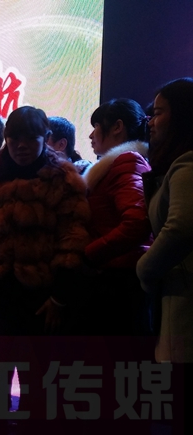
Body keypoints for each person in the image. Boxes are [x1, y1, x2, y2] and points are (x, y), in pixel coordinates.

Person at [0, 106, 90, 435]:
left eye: (31, 138)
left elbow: (72, 243)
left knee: (38, 377)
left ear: (45, 138)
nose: (22, 146)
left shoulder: (63, 179)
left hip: (42, 296)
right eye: (14, 139)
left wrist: (59, 297)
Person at [82, 99, 153, 336]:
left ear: (117, 127)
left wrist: (89, 255)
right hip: (115, 278)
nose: (91, 135)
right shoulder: (118, 164)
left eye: (96, 126)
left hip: (118, 283)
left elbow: (136, 222)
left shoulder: (127, 161)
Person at [137, 78, 193, 364]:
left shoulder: (188, 164)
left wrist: (145, 270)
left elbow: (180, 228)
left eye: (158, 113)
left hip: (184, 304)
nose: (150, 122)